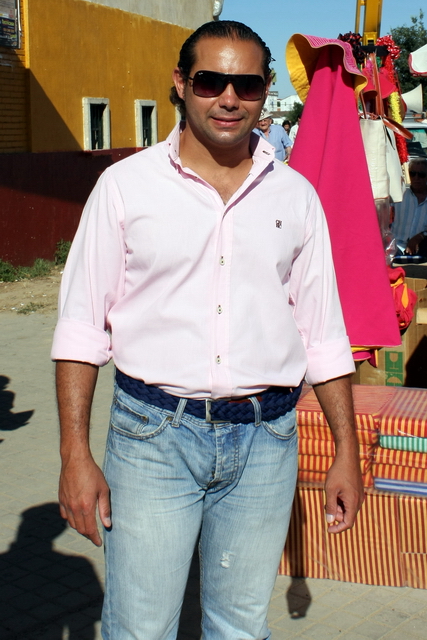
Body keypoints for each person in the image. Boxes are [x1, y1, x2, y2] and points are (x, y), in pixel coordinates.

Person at [52, 20, 364, 640]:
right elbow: (82, 331)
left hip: (266, 441)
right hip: (151, 438)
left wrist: (346, 451)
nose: (228, 98)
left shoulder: (296, 197)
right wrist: (73, 455)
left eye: (246, 85)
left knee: (240, 628)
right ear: (180, 84)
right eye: (210, 80)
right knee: (140, 628)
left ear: (265, 90)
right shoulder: (124, 188)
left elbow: (322, 333)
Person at [392, 158, 427, 255]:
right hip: (396, 246)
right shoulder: (399, 195)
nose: (416, 178)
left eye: (421, 175)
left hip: (422, 248)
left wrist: (420, 236)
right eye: (413, 173)